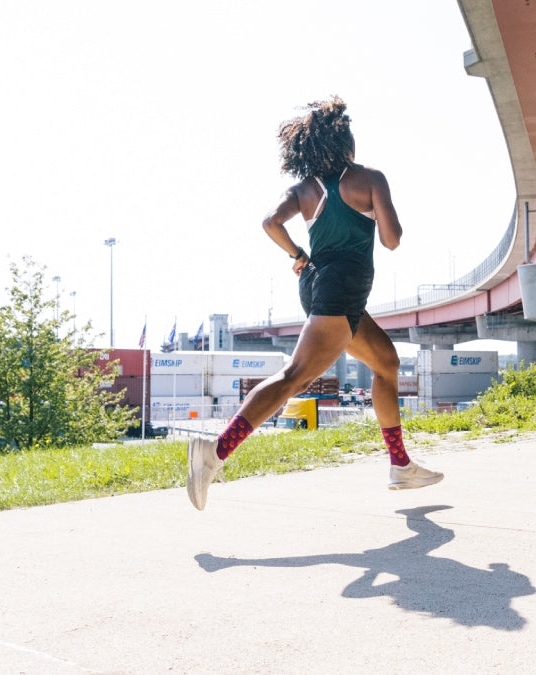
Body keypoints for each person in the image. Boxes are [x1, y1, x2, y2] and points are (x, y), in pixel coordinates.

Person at [187, 97, 443, 510]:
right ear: (346, 141)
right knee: (295, 377)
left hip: (316, 284)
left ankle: (400, 464)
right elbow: (392, 240)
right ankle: (214, 452)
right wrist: (377, 208)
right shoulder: (369, 178)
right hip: (342, 287)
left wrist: (297, 254)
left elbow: (270, 223)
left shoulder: (304, 188)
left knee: (387, 364)